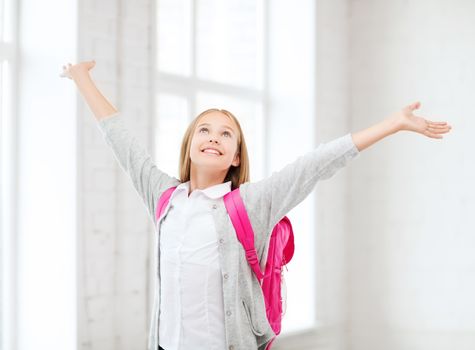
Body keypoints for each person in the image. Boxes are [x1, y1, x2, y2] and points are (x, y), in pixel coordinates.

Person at [61, 60, 452, 350]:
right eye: (205, 129)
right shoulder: (164, 198)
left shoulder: (250, 204)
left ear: (235, 156)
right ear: (190, 145)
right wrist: (83, 79)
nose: (214, 137)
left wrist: (392, 124)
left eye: (226, 134)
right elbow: (123, 143)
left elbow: (314, 165)